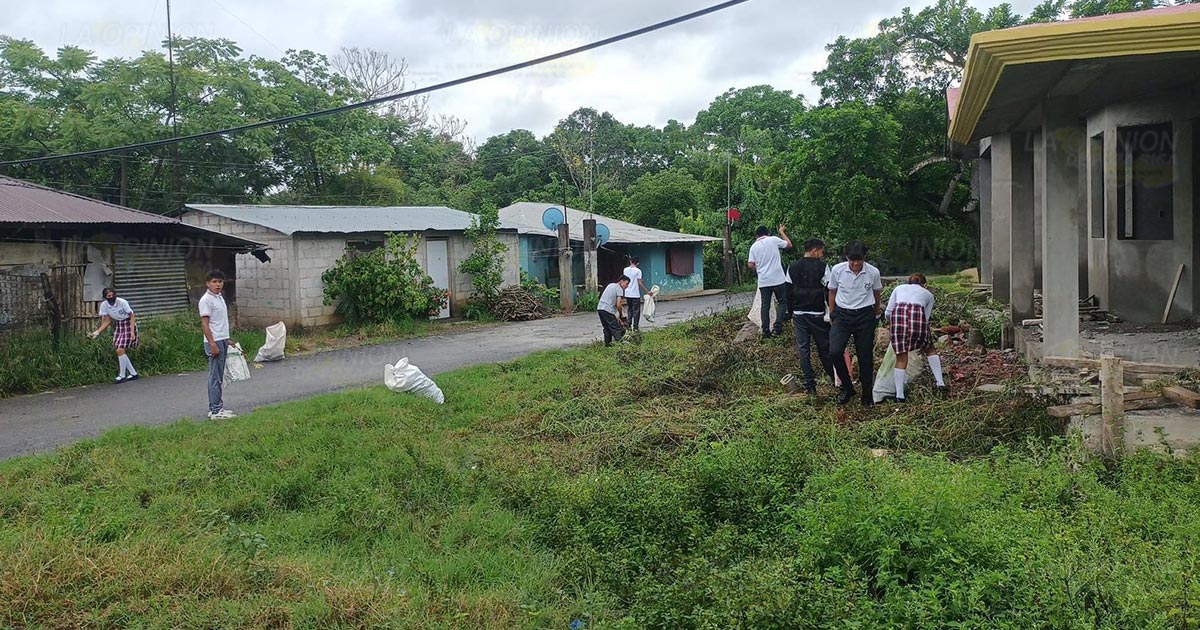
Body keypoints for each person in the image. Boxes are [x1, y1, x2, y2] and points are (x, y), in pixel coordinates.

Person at [827, 241, 883, 406]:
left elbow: (877, 293)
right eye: (852, 260)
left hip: (865, 316)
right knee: (834, 352)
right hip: (842, 315)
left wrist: (876, 312)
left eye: (859, 260)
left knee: (865, 356)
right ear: (847, 258)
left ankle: (867, 394)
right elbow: (832, 291)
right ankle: (847, 387)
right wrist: (832, 313)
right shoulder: (837, 270)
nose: (856, 264)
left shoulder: (873, 272)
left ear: (864, 258)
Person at [885, 273, 947, 401]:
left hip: (899, 322)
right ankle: (940, 382)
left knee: (901, 358)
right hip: (917, 321)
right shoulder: (928, 294)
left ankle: (899, 396)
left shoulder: (899, 289)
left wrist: (890, 322)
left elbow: (888, 311)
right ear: (925, 284)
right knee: (930, 349)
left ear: (909, 282)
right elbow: (926, 317)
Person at [786, 238, 835, 395]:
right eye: (821, 251)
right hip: (817, 313)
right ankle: (835, 380)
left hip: (799, 314)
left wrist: (790, 312)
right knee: (825, 348)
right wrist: (832, 312)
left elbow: (788, 291)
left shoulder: (792, 267)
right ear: (814, 250)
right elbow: (830, 289)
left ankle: (810, 386)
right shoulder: (822, 267)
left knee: (803, 350)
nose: (822, 255)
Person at [199, 270, 236, 419]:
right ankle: (216, 411)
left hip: (222, 340)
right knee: (215, 377)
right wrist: (212, 343)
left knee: (219, 376)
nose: (218, 284)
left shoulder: (219, 297)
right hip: (214, 342)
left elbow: (219, 322)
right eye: (214, 282)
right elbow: (205, 324)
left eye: (220, 281)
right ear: (208, 283)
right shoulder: (206, 300)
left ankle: (216, 408)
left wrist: (226, 339)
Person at [747, 224, 792, 337]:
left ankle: (765, 330)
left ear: (756, 235)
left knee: (765, 305)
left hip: (764, 281)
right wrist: (781, 232)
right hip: (778, 279)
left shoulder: (754, 246)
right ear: (768, 233)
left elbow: (750, 264)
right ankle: (777, 327)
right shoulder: (773, 240)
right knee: (782, 302)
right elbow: (789, 245)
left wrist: (759, 268)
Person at [88, 287, 139, 384]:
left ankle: (122, 375)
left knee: (120, 350)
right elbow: (107, 321)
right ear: (105, 297)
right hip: (119, 324)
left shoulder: (122, 302)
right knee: (120, 350)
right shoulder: (104, 305)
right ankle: (133, 373)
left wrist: (132, 331)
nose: (111, 297)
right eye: (108, 296)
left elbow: (132, 316)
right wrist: (97, 332)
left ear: (115, 294)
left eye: (112, 295)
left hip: (128, 323)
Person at [597, 275, 631, 347]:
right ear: (621, 281)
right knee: (615, 327)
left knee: (606, 327)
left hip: (600, 308)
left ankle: (608, 344)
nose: (627, 286)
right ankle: (621, 343)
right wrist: (621, 316)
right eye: (627, 283)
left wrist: (619, 318)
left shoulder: (610, 285)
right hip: (607, 309)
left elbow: (615, 304)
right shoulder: (619, 289)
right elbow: (618, 305)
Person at [622, 257, 652, 331]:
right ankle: (635, 327)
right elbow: (639, 283)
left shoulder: (625, 270)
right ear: (638, 263)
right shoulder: (638, 271)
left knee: (630, 309)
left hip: (627, 293)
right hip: (635, 294)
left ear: (630, 261)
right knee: (636, 311)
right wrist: (647, 291)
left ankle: (628, 324)